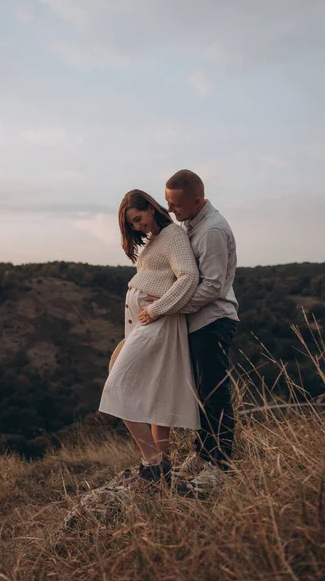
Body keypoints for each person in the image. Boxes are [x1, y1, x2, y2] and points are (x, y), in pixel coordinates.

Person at [98, 189, 200, 491]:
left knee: (117, 389)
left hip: (158, 325)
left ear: (152, 209)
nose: (138, 227)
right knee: (155, 396)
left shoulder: (173, 237)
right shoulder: (156, 241)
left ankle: (153, 462)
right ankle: (161, 470)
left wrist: (157, 308)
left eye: (139, 219)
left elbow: (189, 277)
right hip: (144, 327)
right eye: (133, 225)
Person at [155, 169, 239, 495]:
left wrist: (171, 305)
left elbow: (213, 287)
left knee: (215, 394)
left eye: (175, 204)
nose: (171, 210)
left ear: (197, 201)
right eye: (167, 203)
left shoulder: (213, 230)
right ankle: (202, 453)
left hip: (214, 321)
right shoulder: (190, 225)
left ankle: (220, 466)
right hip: (196, 322)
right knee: (200, 396)